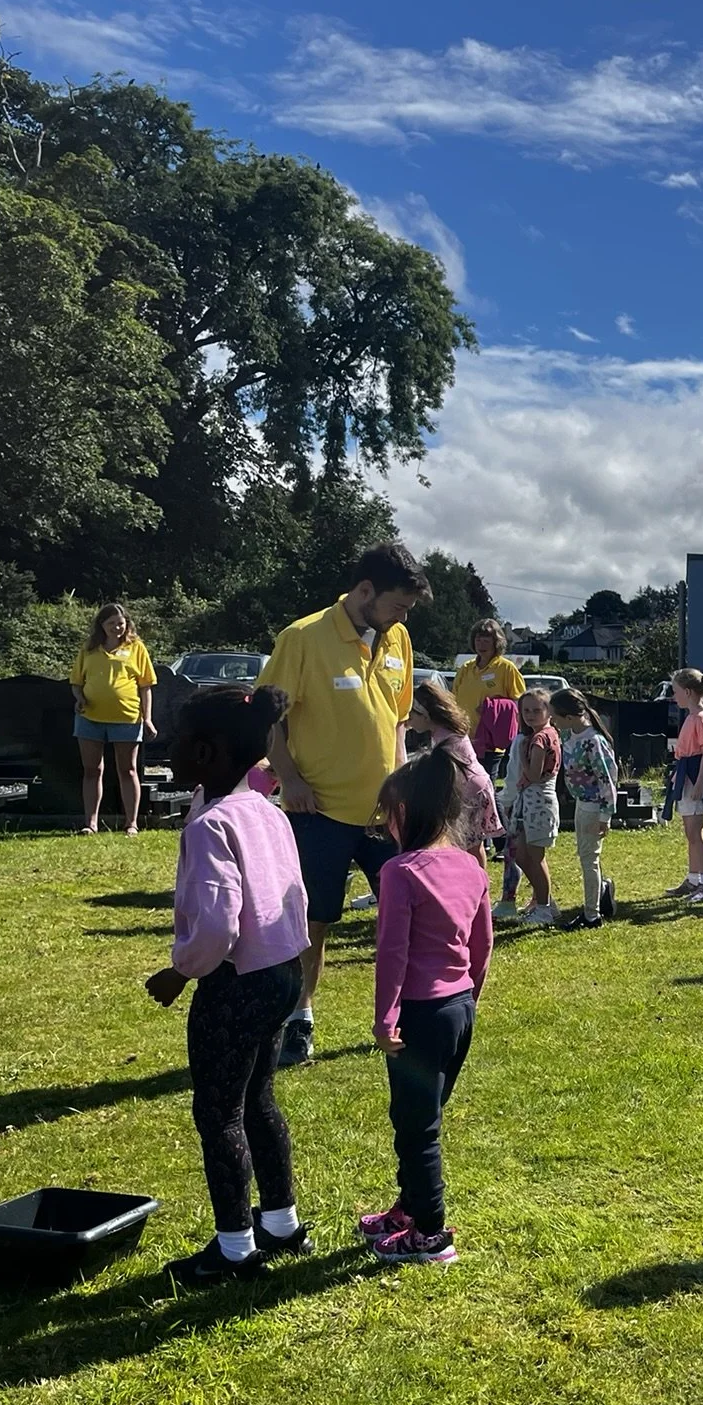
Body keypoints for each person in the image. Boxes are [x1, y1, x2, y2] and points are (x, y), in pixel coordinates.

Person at [145, 686, 311, 1284]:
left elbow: (218, 921)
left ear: (208, 753)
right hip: (282, 974)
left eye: (182, 743)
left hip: (235, 982)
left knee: (219, 1112)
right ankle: (282, 1223)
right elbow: (293, 892)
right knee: (258, 1097)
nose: (170, 748)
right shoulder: (267, 811)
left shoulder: (210, 826)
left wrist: (179, 971)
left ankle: (235, 1249)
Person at [257, 541, 430, 1067]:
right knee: (314, 921)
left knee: (413, 916)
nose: (402, 617)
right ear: (364, 591)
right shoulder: (303, 638)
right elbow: (266, 717)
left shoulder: (398, 637)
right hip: (320, 811)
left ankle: (413, 1015)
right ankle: (299, 1019)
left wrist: (400, 785)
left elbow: (399, 721)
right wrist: (289, 777)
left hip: (385, 816)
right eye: (397, 605)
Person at [359, 748, 493, 1266]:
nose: (385, 825)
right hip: (458, 1009)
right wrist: (468, 997)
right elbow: (482, 947)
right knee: (423, 1114)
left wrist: (385, 1017)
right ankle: (409, 1209)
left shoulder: (399, 872)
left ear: (408, 813)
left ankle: (432, 1234)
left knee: (417, 1126)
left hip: (419, 1011)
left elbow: (393, 953)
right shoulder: (470, 866)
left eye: (387, 813)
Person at [68, 602, 158, 835]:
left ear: (127, 623)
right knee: (92, 770)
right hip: (90, 718)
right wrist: (79, 698)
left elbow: (146, 685)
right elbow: (77, 682)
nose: (117, 628)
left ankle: (131, 823)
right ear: (101, 625)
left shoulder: (136, 647)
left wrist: (147, 719)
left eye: (120, 623)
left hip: (127, 717)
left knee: (127, 770)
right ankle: (91, 823)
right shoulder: (88, 648)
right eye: (111, 624)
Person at [454, 617, 525, 900]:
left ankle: (501, 838)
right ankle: (481, 836)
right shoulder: (466, 669)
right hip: (463, 741)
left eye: (487, 638)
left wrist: (494, 707)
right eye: (478, 638)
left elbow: (520, 702)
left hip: (491, 742)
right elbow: (453, 699)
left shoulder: (506, 669)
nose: (482, 642)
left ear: (497, 641)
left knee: (487, 788)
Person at [410, 683, 502, 864]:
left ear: (426, 714)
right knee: (472, 844)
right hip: (473, 786)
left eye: (412, 715)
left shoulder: (446, 739)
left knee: (470, 845)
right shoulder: (444, 730)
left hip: (469, 790)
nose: (409, 720)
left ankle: (478, 887)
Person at [552, 689, 620, 929]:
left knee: (589, 860)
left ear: (570, 717)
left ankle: (592, 915)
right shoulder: (569, 736)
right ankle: (602, 891)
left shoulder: (594, 741)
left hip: (594, 807)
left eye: (556, 717)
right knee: (585, 854)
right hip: (581, 804)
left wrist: (605, 816)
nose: (554, 722)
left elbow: (607, 779)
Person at [497, 688, 561, 926]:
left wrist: (522, 755)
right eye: (526, 711)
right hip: (530, 804)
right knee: (522, 856)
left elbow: (533, 774)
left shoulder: (539, 738)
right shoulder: (541, 734)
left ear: (549, 712)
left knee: (534, 857)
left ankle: (544, 906)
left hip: (539, 804)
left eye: (536, 710)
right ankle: (545, 901)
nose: (530, 715)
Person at [667, 668, 703, 902]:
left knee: (696, 833)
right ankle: (693, 879)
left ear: (687, 692)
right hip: (685, 777)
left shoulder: (701, 717)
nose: (673, 696)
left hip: (694, 778)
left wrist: (699, 783)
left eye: (675, 691)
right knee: (690, 833)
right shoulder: (691, 717)